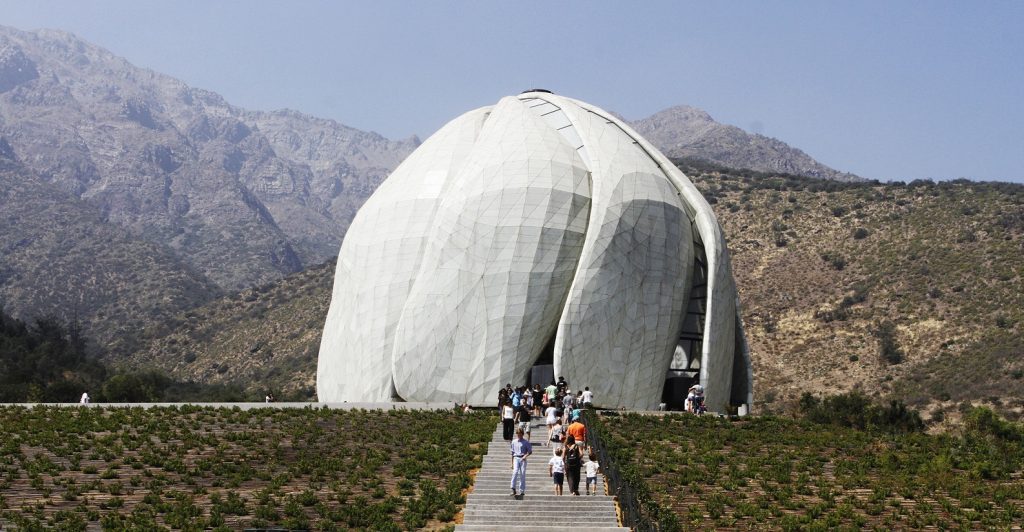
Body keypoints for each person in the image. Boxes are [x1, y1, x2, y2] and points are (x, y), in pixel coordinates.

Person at [509, 427, 533, 498]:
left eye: (520, 434)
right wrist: (511, 463)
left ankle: (522, 490)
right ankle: (513, 488)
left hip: (523, 458)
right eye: (517, 434)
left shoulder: (526, 442)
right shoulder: (514, 441)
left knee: (522, 474)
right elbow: (512, 453)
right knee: (515, 472)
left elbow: (530, 451)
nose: (519, 435)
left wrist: (526, 456)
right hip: (516, 458)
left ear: (522, 434)